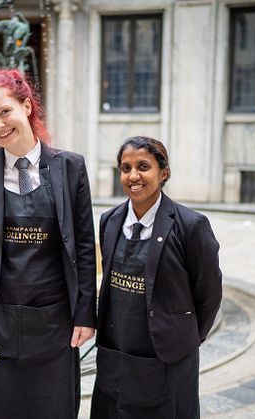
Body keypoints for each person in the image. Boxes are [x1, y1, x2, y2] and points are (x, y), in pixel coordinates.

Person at [0, 69, 96, 419]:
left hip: (52, 323)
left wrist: (85, 313)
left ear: (27, 106)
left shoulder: (70, 166)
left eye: (5, 112)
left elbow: (84, 246)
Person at [90, 137, 222, 419]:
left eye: (143, 167)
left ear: (163, 173)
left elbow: (209, 295)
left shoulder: (191, 226)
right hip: (116, 354)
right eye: (125, 168)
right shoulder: (109, 221)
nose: (133, 176)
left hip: (167, 360)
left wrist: (184, 337)